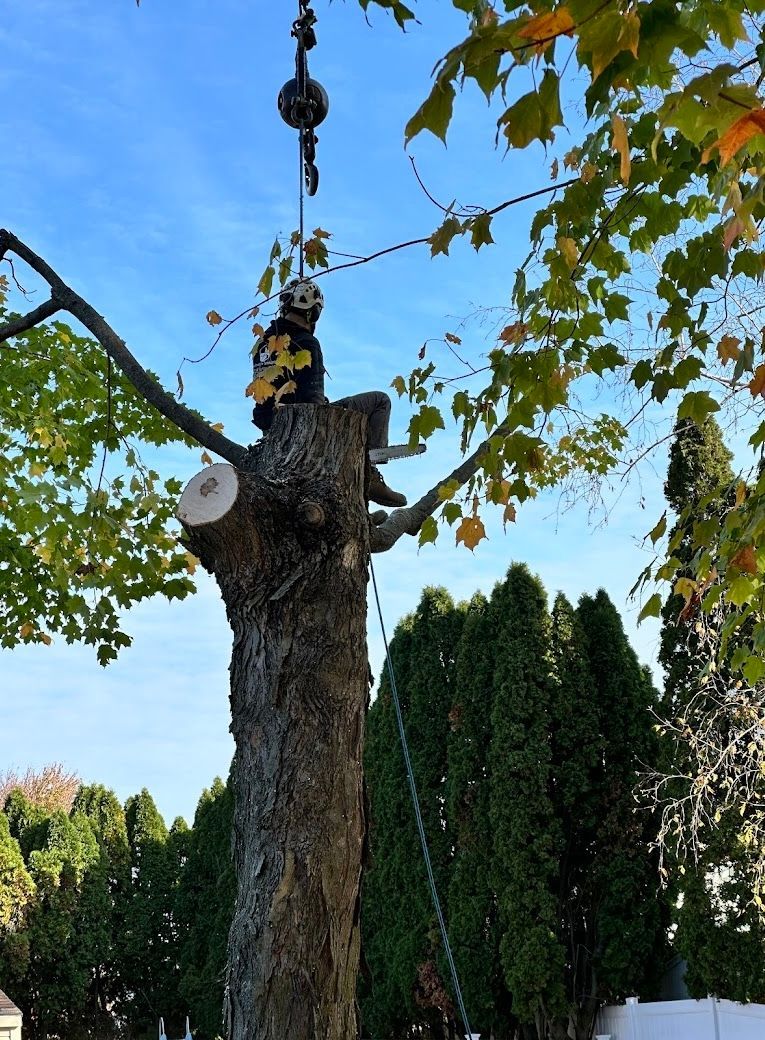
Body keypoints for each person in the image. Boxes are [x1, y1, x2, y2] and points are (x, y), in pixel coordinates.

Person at [251, 277, 408, 508]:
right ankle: (369, 470)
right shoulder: (307, 342)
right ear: (312, 313)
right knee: (379, 401)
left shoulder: (263, 346)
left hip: (272, 427)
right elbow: (313, 404)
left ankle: (357, 510)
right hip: (305, 425)